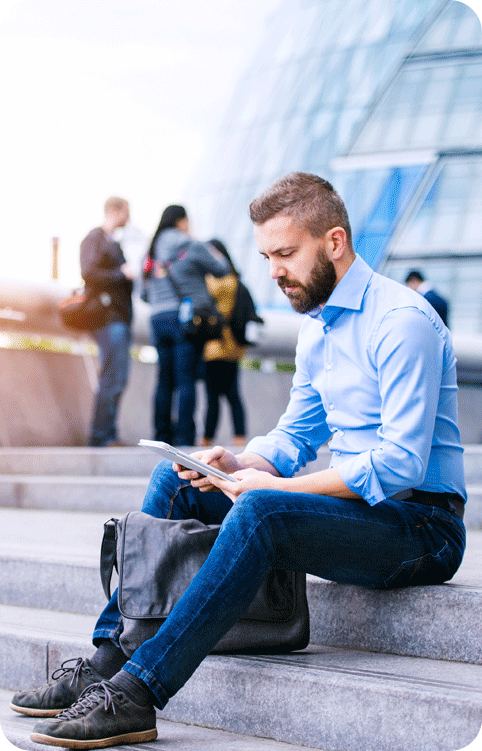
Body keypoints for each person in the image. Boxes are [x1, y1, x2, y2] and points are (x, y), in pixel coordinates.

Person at [11, 173, 467, 750]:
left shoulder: (402, 321)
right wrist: (239, 461)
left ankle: (140, 693)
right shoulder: (318, 329)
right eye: (267, 255)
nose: (273, 271)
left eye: (285, 253)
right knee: (175, 481)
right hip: (361, 515)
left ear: (334, 242)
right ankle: (108, 658)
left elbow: (400, 464)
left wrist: (275, 489)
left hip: (420, 527)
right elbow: (297, 435)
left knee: (263, 512)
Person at [141, 206, 230, 446]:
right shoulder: (191, 245)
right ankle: (184, 438)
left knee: (164, 380)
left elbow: (143, 294)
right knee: (186, 379)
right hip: (186, 320)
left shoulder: (149, 253)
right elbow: (222, 269)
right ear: (181, 221)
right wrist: (211, 248)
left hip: (158, 319)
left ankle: (161, 434)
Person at [80, 197, 135, 447]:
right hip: (106, 317)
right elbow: (88, 272)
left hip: (119, 317)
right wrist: (120, 274)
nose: (129, 217)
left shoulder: (114, 242)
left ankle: (108, 433)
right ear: (115, 211)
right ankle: (101, 435)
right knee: (112, 376)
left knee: (118, 377)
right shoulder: (95, 238)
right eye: (126, 212)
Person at [201, 238, 262, 448]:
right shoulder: (236, 280)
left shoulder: (212, 280)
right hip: (234, 346)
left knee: (214, 397)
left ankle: (207, 439)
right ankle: (239, 437)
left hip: (214, 346)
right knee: (232, 394)